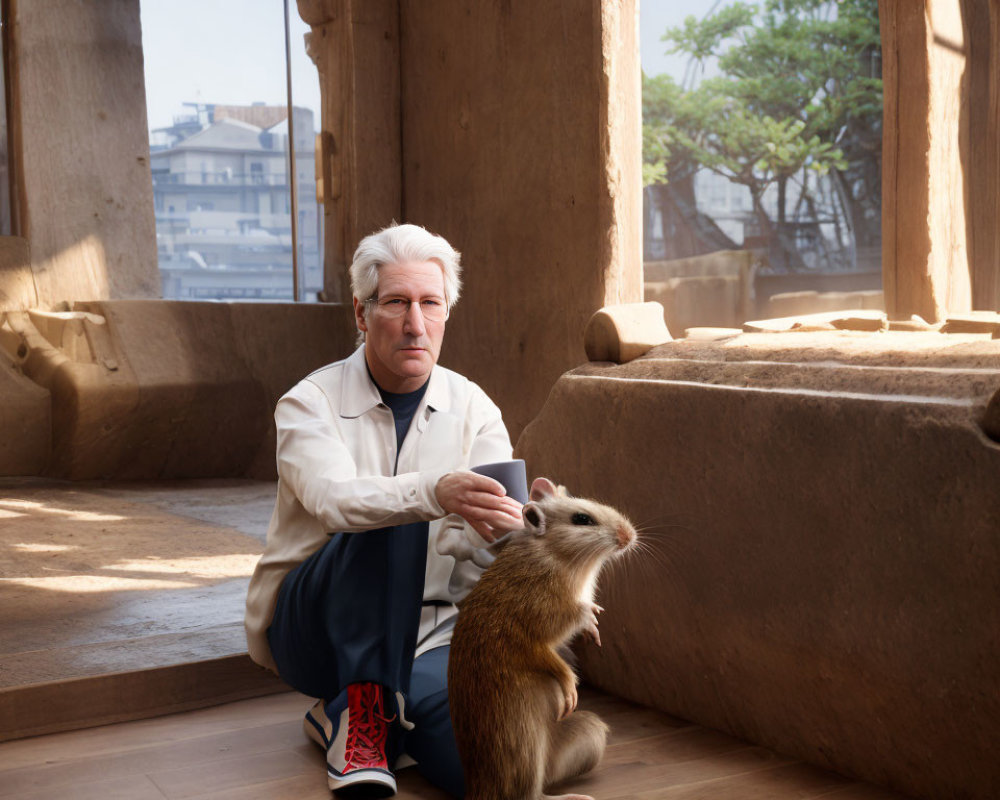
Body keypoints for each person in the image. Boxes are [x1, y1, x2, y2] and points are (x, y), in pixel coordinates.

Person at [244, 223, 524, 797]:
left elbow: (477, 550)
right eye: (396, 302)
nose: (415, 324)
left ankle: (354, 716)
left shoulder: (474, 407)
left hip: (430, 629)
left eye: (430, 304)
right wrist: (434, 492)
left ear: (447, 312)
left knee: (474, 760)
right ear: (362, 311)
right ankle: (363, 706)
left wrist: (507, 531)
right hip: (316, 625)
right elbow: (333, 502)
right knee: (393, 509)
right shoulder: (309, 402)